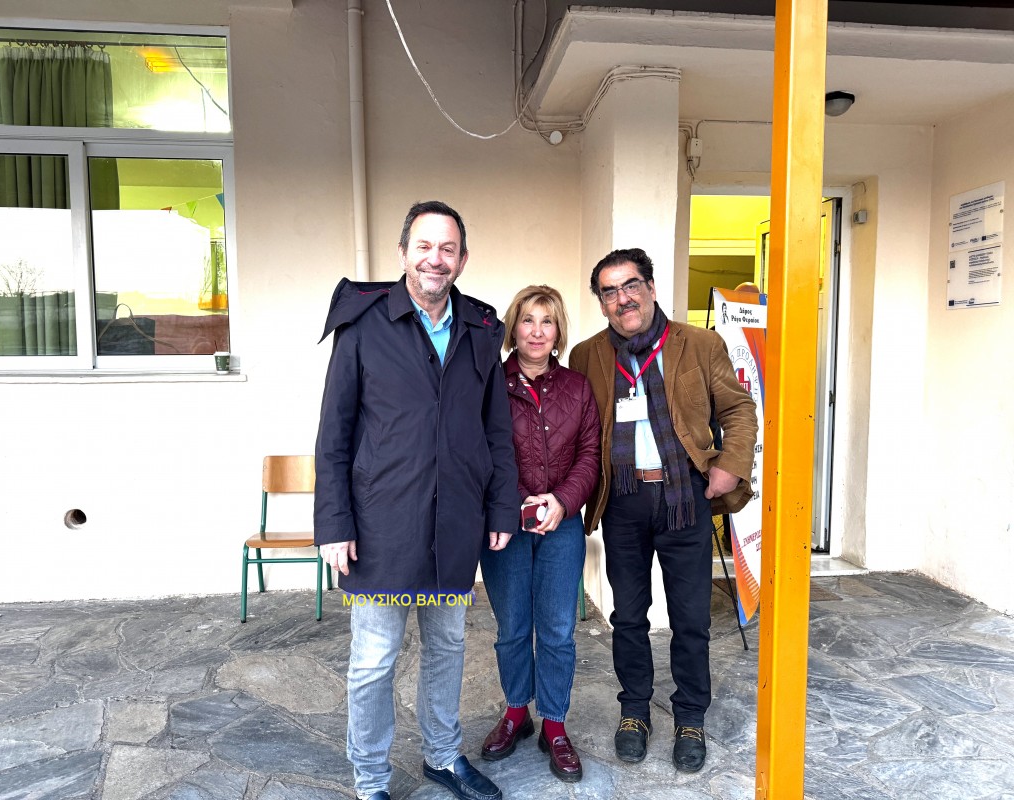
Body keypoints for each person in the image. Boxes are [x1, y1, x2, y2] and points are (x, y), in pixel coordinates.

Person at [315, 200, 519, 800]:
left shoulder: (480, 330)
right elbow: (334, 432)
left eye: (447, 248)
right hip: (382, 526)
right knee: (375, 659)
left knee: (448, 648)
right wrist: (334, 523)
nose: (436, 258)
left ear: (462, 259)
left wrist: (501, 508)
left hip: (455, 522)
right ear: (403, 252)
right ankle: (371, 779)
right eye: (424, 246)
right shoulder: (363, 325)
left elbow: (495, 430)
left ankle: (442, 756)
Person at [568, 248, 758, 773]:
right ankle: (634, 710)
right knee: (628, 616)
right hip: (623, 501)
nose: (622, 298)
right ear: (602, 303)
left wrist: (730, 466)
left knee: (691, 618)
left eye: (631, 285)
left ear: (650, 288)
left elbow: (738, 408)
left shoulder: (699, 344)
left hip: (684, 498)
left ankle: (690, 716)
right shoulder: (586, 356)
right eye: (610, 291)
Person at [478, 285, 600, 783]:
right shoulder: (489, 383)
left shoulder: (578, 388)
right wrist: (514, 505)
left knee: (556, 630)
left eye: (546, 321)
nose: (536, 331)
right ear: (514, 327)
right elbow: (480, 453)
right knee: (511, 627)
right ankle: (516, 713)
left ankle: (553, 723)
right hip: (505, 526)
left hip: (561, 525)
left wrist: (562, 501)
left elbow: (590, 454)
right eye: (527, 319)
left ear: (558, 331)